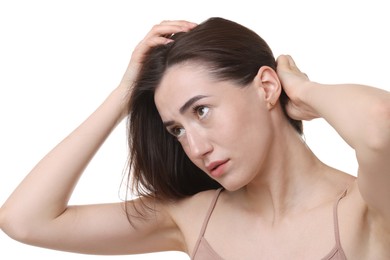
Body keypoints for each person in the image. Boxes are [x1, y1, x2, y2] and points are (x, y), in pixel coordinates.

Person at [0, 17, 389, 259]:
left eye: (201, 110)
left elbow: (380, 124)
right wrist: (124, 95)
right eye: (177, 130)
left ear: (266, 87)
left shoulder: (368, 209)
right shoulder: (192, 218)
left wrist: (303, 91)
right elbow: (24, 220)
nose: (195, 148)